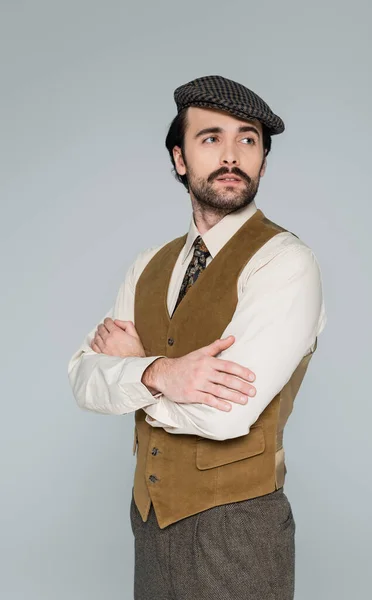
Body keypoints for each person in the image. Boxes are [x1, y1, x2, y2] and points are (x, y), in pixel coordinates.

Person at [68, 74, 327, 600]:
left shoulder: (285, 263)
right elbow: (83, 379)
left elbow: (226, 413)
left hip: (238, 530)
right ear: (180, 159)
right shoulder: (148, 265)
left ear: (262, 161)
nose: (232, 155)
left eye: (247, 140)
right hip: (149, 522)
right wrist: (162, 372)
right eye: (211, 138)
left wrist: (133, 370)